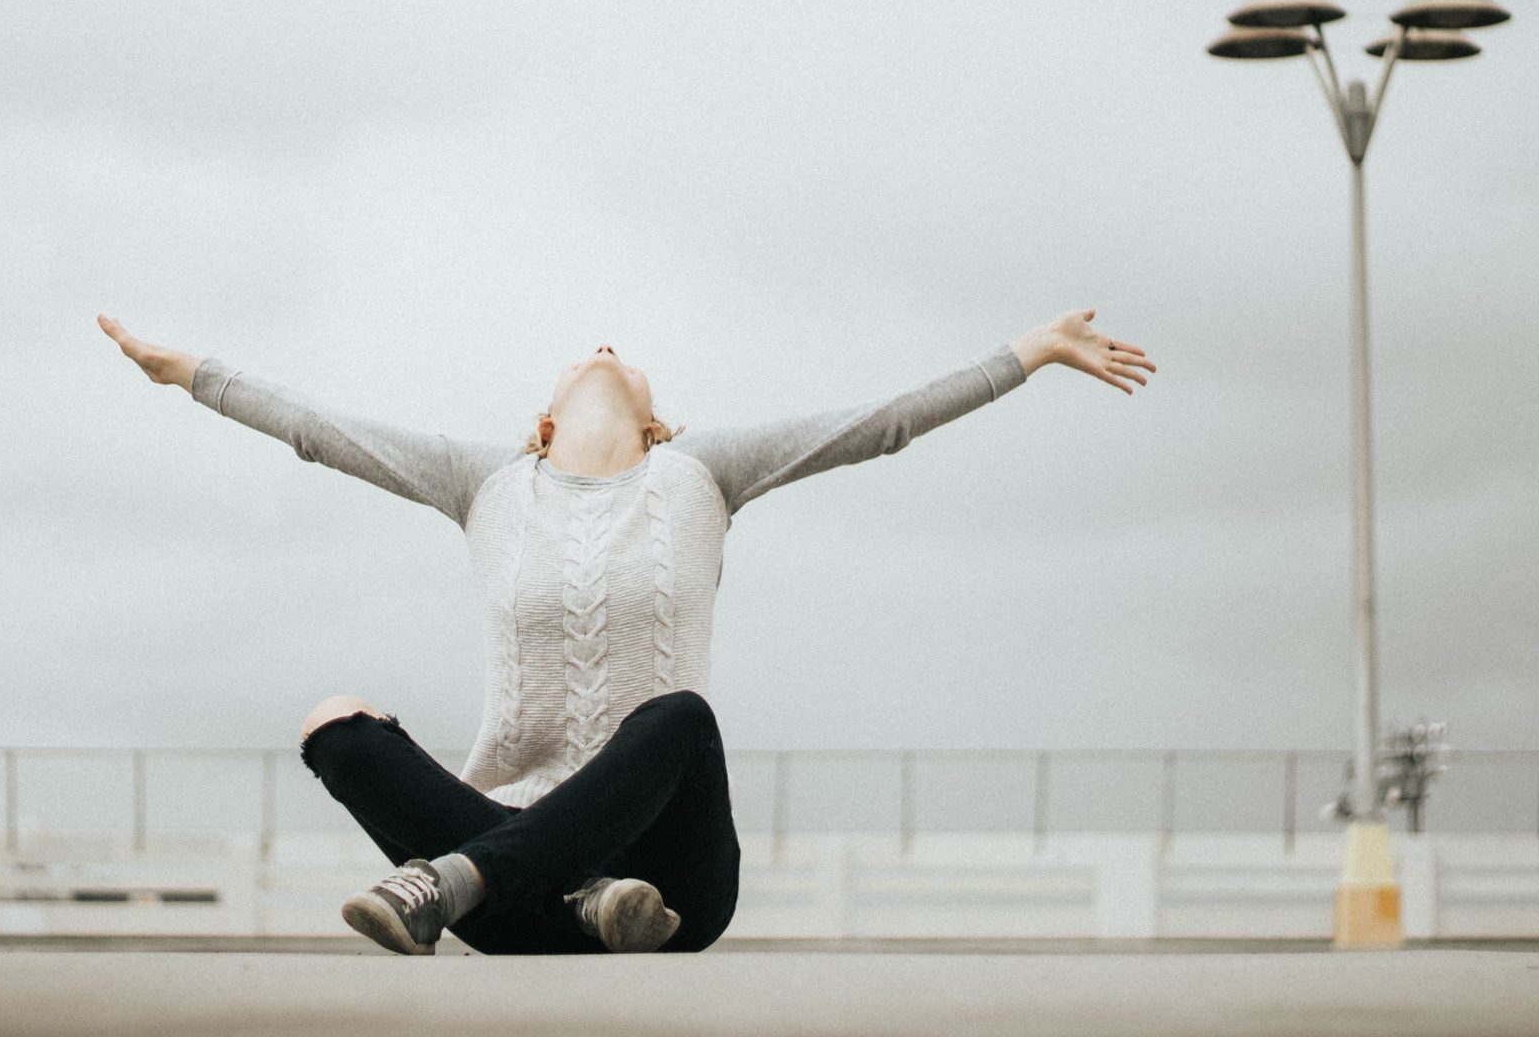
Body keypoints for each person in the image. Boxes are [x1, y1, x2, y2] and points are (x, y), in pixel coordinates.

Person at [97, 309, 1153, 954]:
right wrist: (191, 374)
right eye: (578, 355)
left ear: (657, 423)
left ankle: (459, 882)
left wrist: (1027, 353)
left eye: (625, 356)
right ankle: (561, 895)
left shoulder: (702, 474)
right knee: (334, 720)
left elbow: (877, 427)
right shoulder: (485, 484)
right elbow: (325, 434)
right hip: (530, 892)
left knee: (677, 716)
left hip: (674, 886)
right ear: (543, 420)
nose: (601, 347)